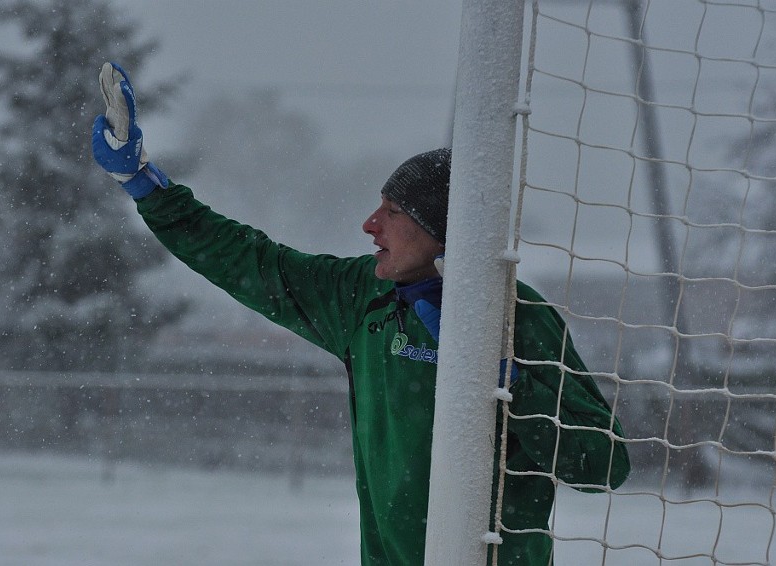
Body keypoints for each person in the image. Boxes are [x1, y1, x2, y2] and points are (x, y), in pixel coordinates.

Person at [91, 62, 629, 566]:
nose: (370, 224)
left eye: (393, 212)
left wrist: (506, 382)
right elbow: (250, 262)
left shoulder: (520, 318)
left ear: (447, 230)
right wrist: (146, 187)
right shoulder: (362, 297)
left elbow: (604, 466)